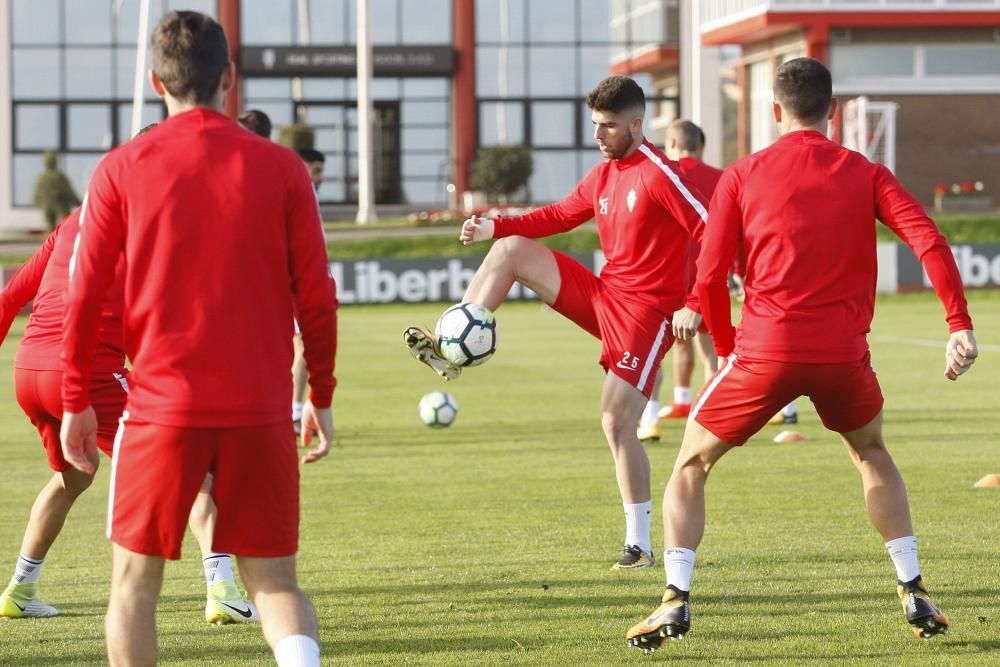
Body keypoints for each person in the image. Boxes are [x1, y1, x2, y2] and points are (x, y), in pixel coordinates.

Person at [625, 57, 977, 652]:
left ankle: (675, 601)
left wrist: (731, 350)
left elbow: (709, 278)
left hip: (764, 352)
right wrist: (958, 323)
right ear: (833, 112)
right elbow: (929, 240)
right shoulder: (865, 171)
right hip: (843, 356)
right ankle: (912, 586)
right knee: (871, 454)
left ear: (773, 112)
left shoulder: (742, 174)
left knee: (690, 466)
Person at [59, 12, 337, 667]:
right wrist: (318, 394)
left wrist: (77, 397)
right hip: (262, 411)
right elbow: (318, 298)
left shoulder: (121, 168)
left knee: (134, 588)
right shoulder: (285, 169)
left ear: (157, 82)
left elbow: (84, 297)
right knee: (276, 584)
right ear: (229, 79)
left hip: (160, 411)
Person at [403, 76, 709, 570]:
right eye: (594, 125)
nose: (599, 135)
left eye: (609, 126)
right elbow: (559, 215)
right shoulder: (603, 176)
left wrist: (694, 300)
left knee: (615, 420)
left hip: (648, 316)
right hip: (605, 296)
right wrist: (496, 225)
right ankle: (450, 346)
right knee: (510, 251)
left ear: (636, 123)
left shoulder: (660, 173)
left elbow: (713, 229)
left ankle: (639, 545)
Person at [1, 129, 255, 625]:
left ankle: (20, 588)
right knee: (197, 469)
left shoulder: (74, 223)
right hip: (85, 373)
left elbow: (11, 298)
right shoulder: (152, 224)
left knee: (71, 477)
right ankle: (221, 588)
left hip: (29, 372)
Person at [638, 120, 721, 442]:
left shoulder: (661, 174)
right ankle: (710, 412)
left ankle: (651, 416)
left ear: (670, 143)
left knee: (654, 348)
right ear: (700, 145)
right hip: (708, 275)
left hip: (666, 273)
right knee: (710, 348)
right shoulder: (721, 177)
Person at [292, 148, 327, 432]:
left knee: (301, 344)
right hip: (293, 282)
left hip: (303, 279)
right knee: (304, 344)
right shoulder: (293, 189)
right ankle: (293, 408)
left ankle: (292, 407)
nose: (321, 176)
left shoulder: (306, 191)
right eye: (315, 169)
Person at [32, 150, 80, 231]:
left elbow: (37, 193)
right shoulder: (60, 176)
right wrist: (77, 201)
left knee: (51, 227)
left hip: (47, 205)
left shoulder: (42, 178)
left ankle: (53, 240)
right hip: (60, 204)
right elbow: (68, 191)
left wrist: (36, 202)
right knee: (66, 224)